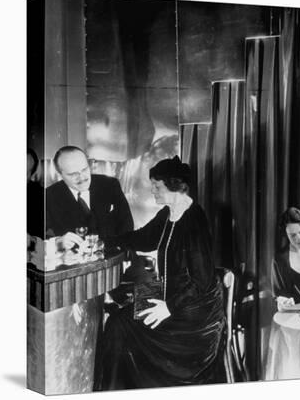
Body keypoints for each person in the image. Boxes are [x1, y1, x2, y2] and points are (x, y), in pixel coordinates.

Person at [93, 156, 225, 390]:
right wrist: (104, 241)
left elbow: (202, 281)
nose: (152, 190)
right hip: (171, 295)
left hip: (194, 314)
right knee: (119, 316)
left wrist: (169, 307)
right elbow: (143, 238)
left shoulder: (194, 220)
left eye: (157, 185)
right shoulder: (168, 213)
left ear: (174, 186)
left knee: (119, 324)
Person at [45, 146, 134, 249]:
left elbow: (126, 224)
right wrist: (57, 243)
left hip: (117, 257)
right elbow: (36, 238)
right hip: (75, 263)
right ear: (60, 174)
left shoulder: (110, 185)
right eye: (73, 174)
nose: (82, 177)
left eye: (84, 169)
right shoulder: (48, 197)